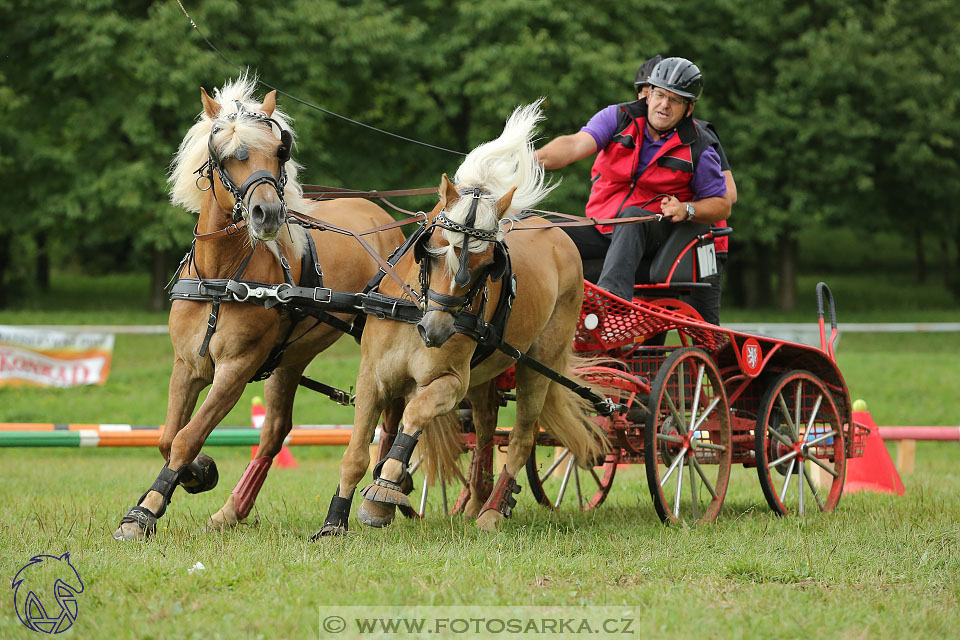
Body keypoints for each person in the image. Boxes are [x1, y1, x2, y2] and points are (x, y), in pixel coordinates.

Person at [535, 57, 732, 322]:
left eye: (674, 100)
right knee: (541, 229)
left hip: (656, 234)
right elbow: (572, 146)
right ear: (648, 94)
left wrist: (687, 209)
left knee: (631, 217)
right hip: (604, 226)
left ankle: (611, 305)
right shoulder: (618, 117)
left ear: (689, 108)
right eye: (660, 94)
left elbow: (723, 204)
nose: (664, 105)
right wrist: (526, 160)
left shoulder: (701, 145)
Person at [634, 55, 737, 323]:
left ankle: (707, 360)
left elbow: (730, 195)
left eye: (670, 96)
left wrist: (685, 205)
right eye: (648, 93)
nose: (657, 103)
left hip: (703, 241)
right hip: (662, 239)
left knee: (702, 323)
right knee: (649, 320)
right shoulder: (637, 135)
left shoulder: (700, 136)